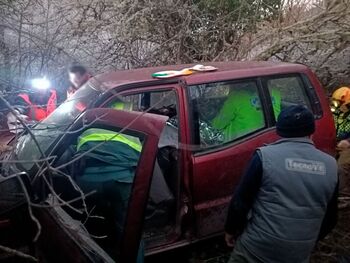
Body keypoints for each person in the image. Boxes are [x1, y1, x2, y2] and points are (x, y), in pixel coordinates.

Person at [225, 105, 338, 263]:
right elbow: (331, 218)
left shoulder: (264, 157)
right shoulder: (331, 165)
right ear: (312, 132)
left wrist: (231, 230)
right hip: (298, 254)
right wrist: (306, 243)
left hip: (257, 248)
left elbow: (240, 202)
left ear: (279, 131)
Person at [212, 85, 281, 142]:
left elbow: (218, 124)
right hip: (271, 137)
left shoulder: (236, 97)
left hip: (240, 142)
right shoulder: (275, 93)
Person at [331, 86, 350, 190]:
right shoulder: (335, 113)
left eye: (337, 102)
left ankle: (343, 196)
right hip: (335, 142)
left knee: (342, 167)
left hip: (347, 146)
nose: (335, 105)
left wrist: (348, 141)